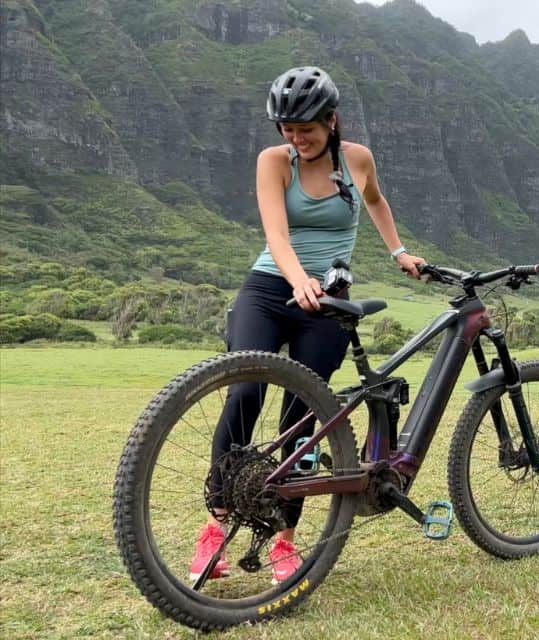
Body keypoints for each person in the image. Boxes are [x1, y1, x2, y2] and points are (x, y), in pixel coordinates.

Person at [190, 66, 425, 585]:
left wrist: (399, 252)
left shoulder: (357, 159)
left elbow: (376, 201)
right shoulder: (274, 162)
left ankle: (285, 539)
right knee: (245, 391)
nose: (297, 140)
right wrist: (299, 280)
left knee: (303, 419)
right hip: (271, 289)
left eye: (307, 130)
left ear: (332, 121)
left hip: (329, 303)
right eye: (288, 130)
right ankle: (216, 523)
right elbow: (276, 233)